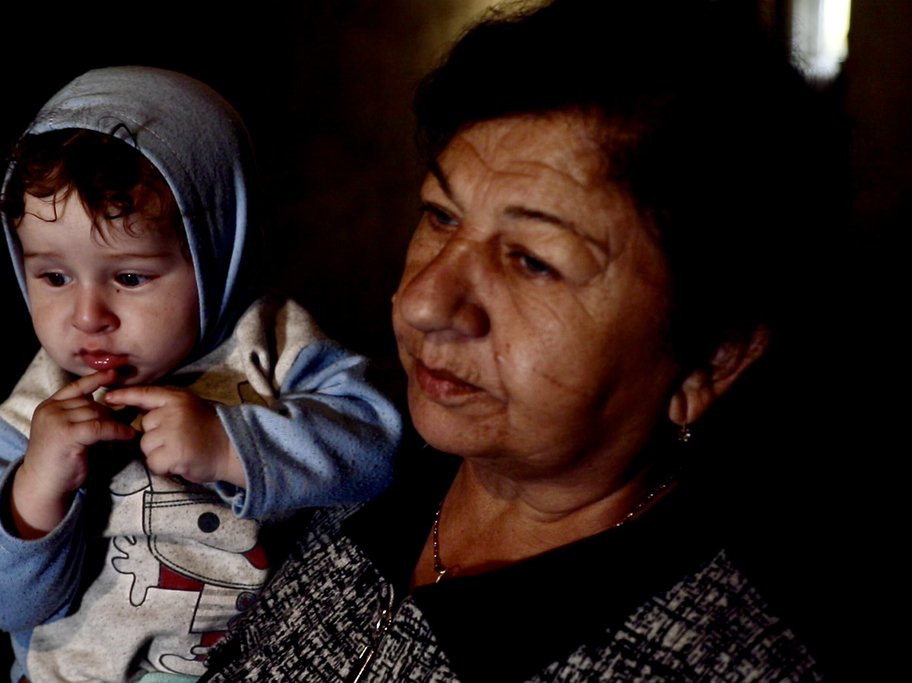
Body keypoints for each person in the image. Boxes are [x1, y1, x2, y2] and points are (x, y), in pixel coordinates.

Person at [198, 0, 840, 680]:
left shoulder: (717, 662)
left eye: (533, 261)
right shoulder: (337, 465)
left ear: (713, 357)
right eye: (441, 216)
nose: (423, 302)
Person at [0, 66, 403, 683]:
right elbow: (0, 604)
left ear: (217, 253)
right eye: (53, 277)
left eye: (130, 277)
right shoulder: (28, 418)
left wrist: (231, 446)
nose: (87, 316)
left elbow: (380, 448)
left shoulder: (271, 347)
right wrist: (37, 488)